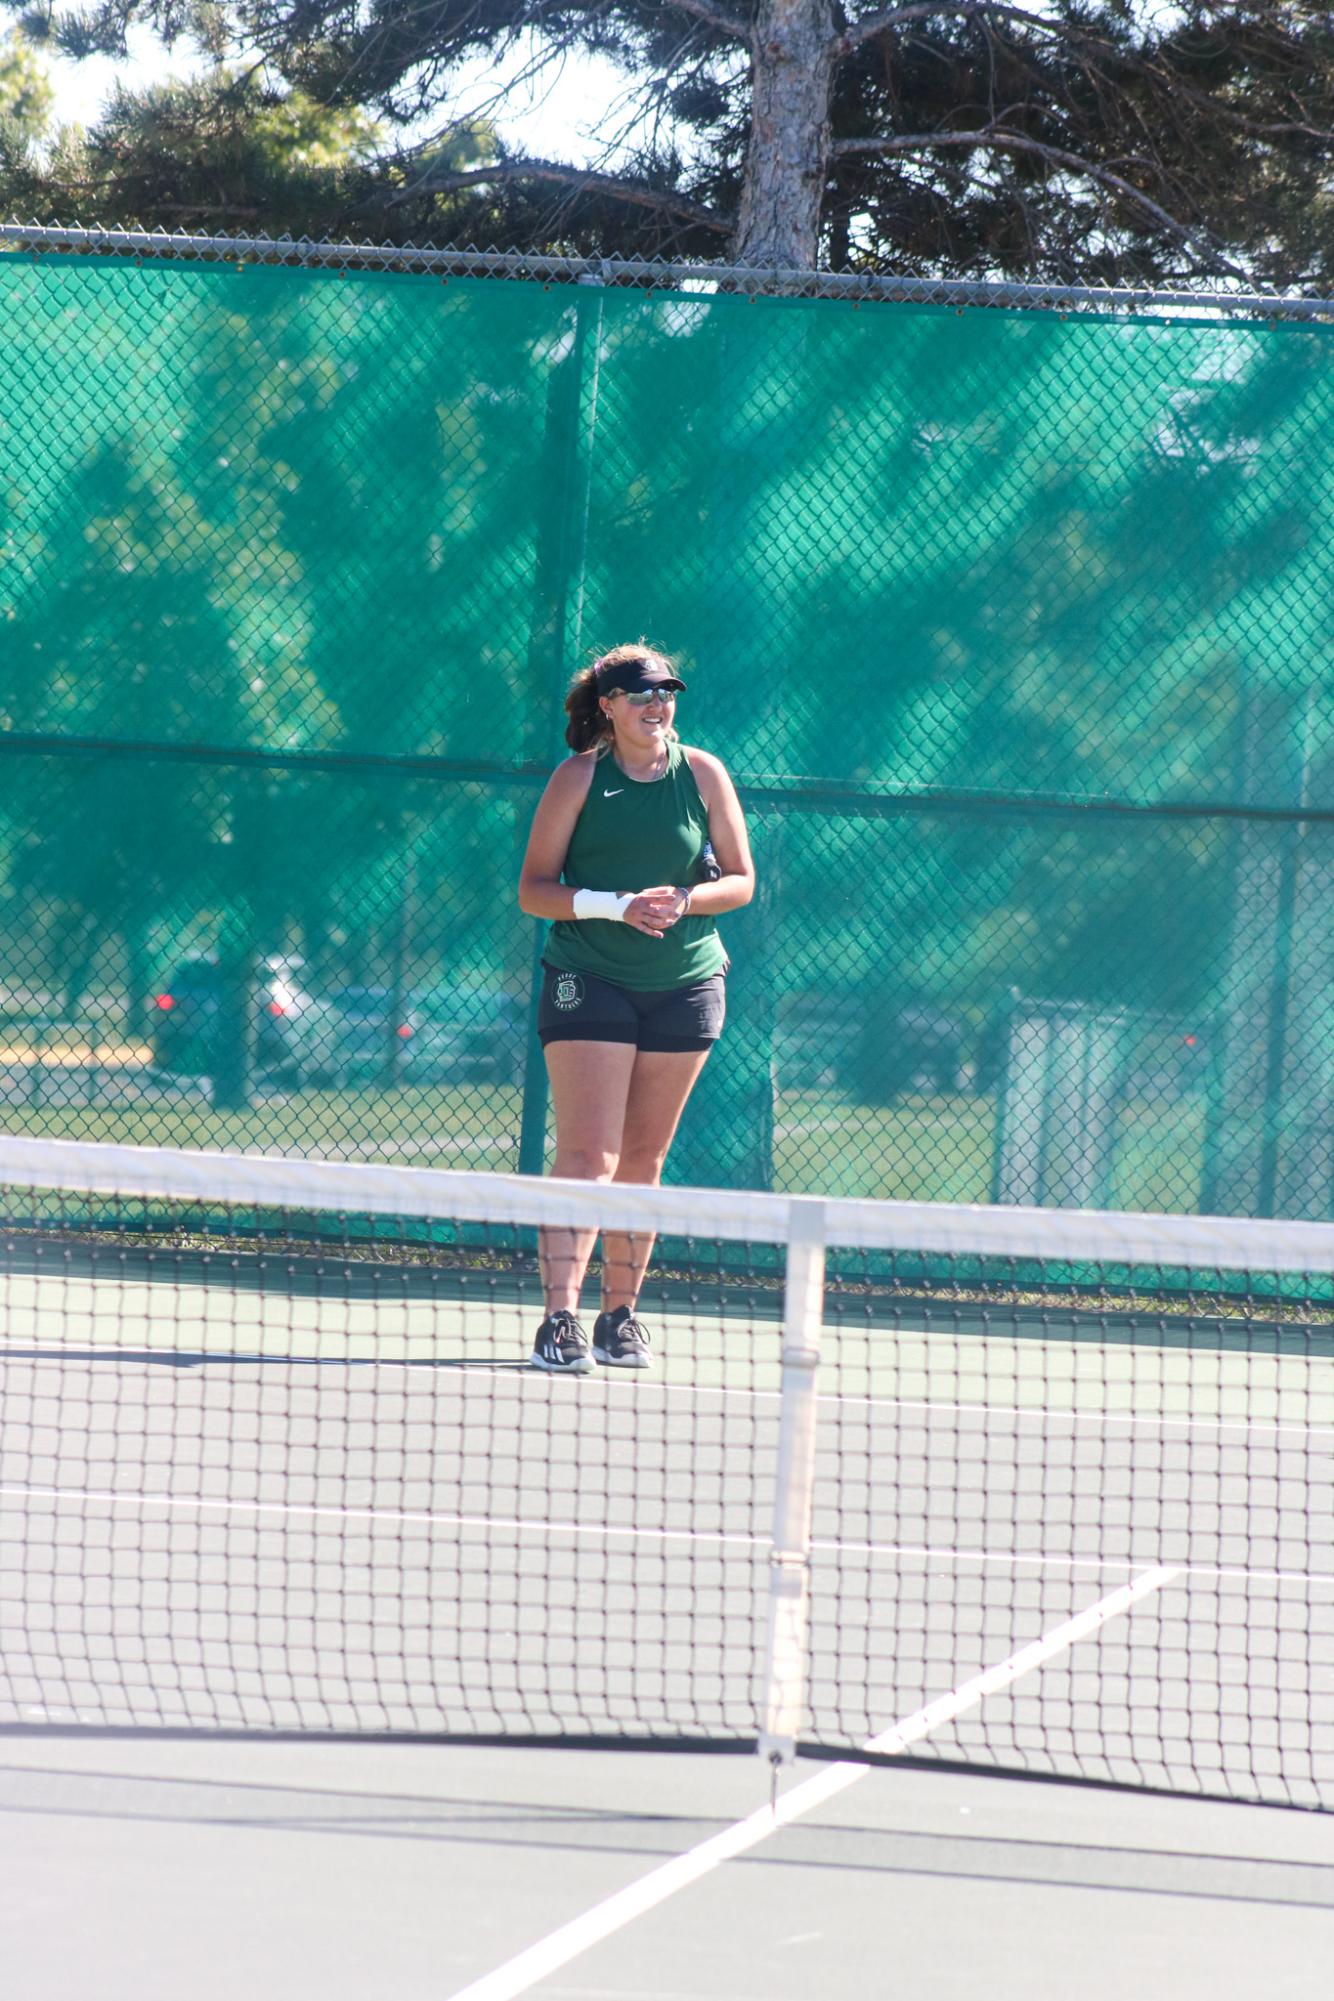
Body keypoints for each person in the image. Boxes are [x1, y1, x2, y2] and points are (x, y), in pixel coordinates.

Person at [517, 642, 755, 1374]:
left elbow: (741, 880)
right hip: (589, 975)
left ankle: (619, 1316)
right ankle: (559, 1318)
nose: (658, 705)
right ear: (609, 705)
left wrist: (683, 898)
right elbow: (534, 889)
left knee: (643, 1162)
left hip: (685, 984)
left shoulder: (704, 774)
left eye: (667, 693)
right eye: (642, 694)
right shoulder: (578, 778)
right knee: (591, 1156)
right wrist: (617, 906)